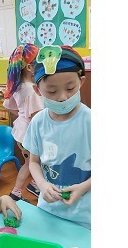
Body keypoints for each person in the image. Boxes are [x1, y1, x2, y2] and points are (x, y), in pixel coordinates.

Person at [23, 45, 91, 229]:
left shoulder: (90, 121)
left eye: (70, 88)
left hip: (84, 215)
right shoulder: (38, 122)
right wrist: (42, 184)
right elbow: (34, 162)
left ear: (81, 82)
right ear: (37, 90)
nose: (62, 97)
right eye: (52, 91)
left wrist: (83, 187)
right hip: (48, 210)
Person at [2, 43, 44, 201]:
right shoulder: (32, 90)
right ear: (30, 67)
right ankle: (29, 187)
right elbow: (36, 117)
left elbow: (9, 106)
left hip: (20, 131)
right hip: (29, 134)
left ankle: (20, 190)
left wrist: (22, 115)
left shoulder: (17, 86)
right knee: (36, 162)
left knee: (29, 163)